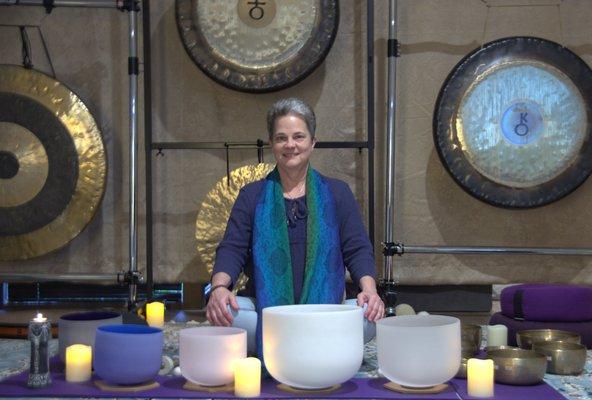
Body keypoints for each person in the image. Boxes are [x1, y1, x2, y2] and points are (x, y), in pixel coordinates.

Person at [206, 98, 384, 353]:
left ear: (312, 142)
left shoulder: (337, 193)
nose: (290, 145)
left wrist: (369, 290)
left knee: (369, 315)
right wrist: (219, 288)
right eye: (281, 138)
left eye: (298, 137)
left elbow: (357, 248)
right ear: (272, 144)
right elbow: (232, 249)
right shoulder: (252, 195)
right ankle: (295, 347)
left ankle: (308, 343)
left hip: (326, 315)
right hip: (268, 315)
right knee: (224, 313)